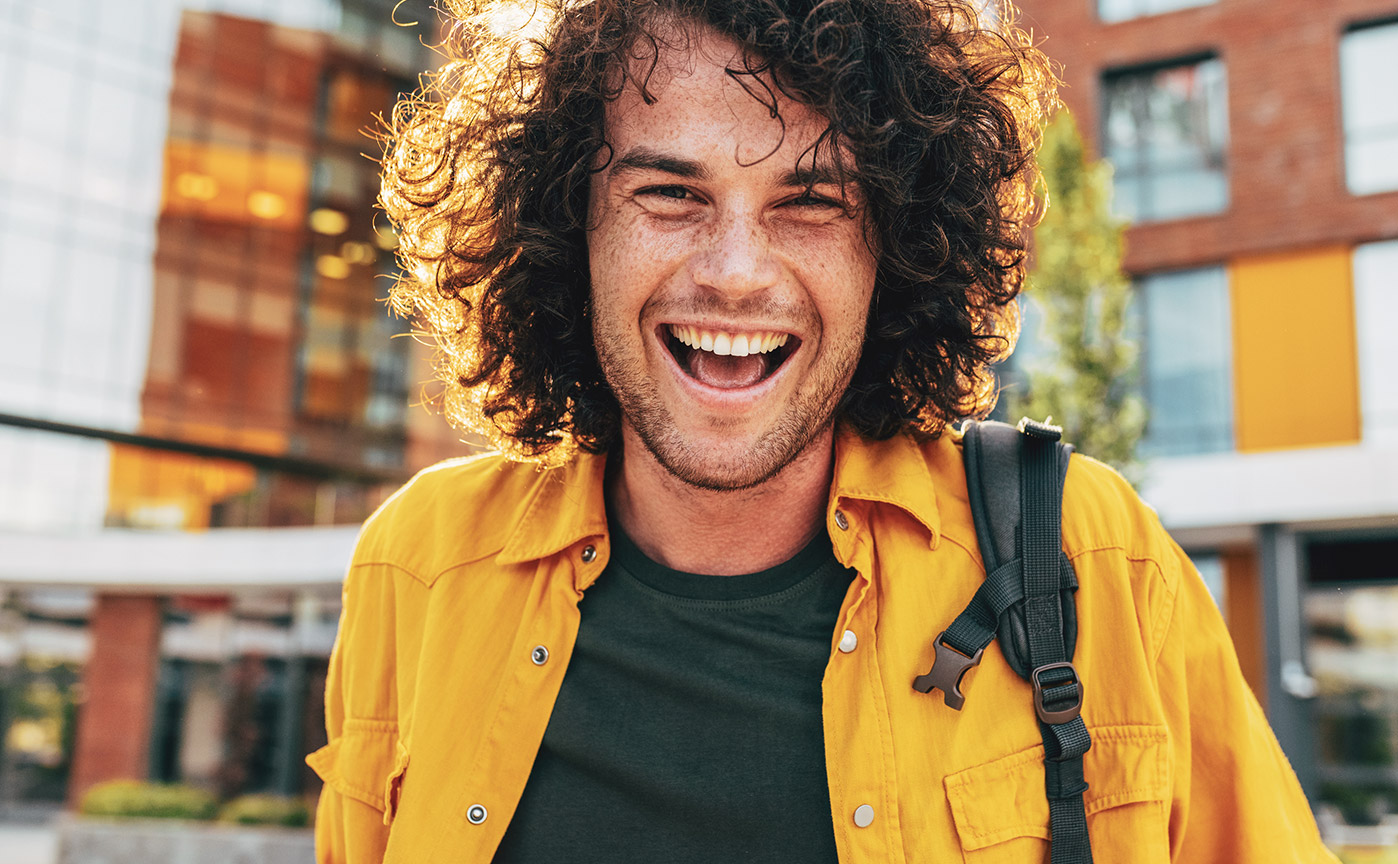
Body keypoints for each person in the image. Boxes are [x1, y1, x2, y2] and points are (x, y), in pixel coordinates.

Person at [306, 0, 1340, 861]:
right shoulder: (421, 566)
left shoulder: (1092, 559)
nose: (738, 271)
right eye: (669, 194)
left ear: (896, 249)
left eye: (811, 202)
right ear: (566, 228)